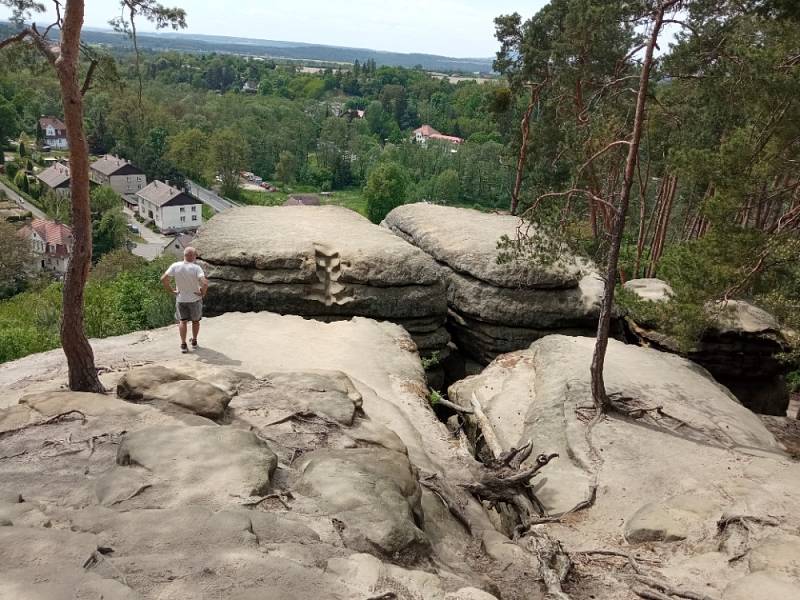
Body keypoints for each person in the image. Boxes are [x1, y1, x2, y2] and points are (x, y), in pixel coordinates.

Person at [161, 246, 208, 353]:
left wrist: (171, 290)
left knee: (182, 322)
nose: (196, 257)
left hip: (181, 299)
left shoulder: (175, 266)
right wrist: (202, 293)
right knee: (196, 321)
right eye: (195, 255)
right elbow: (205, 283)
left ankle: (183, 344)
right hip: (194, 299)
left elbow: (163, 279)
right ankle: (194, 341)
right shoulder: (196, 268)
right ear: (192, 256)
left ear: (185, 255)